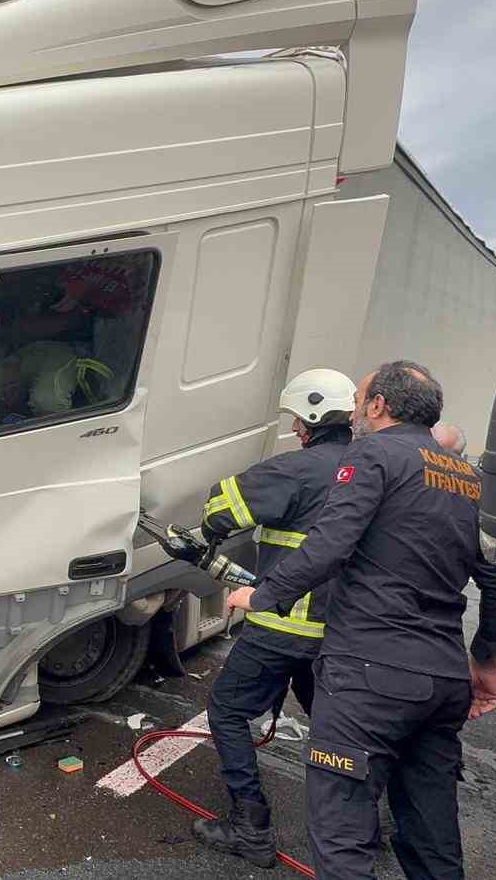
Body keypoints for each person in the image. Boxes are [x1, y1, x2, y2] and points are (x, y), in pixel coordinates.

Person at [224, 360, 496, 879]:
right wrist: (485, 663)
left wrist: (261, 595)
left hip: (369, 675)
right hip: (443, 682)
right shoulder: (465, 476)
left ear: (379, 406)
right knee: (432, 837)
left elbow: (329, 546)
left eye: (361, 400)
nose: (356, 411)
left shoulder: (373, 455)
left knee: (343, 838)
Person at [192, 368, 358, 868]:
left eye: (295, 419)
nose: (295, 429)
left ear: (308, 419)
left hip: (283, 624)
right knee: (334, 725)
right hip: (341, 630)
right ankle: (361, 826)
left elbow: (221, 510)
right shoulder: (369, 467)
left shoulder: (297, 468)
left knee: (227, 710)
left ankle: (251, 827)